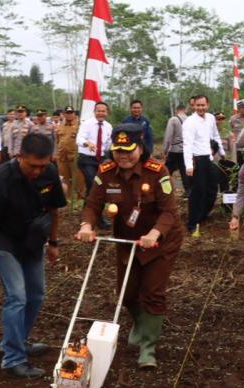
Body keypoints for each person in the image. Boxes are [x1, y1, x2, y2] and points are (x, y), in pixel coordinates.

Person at [76, 123, 183, 369]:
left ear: (140, 148)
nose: (123, 156)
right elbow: (93, 204)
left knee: (153, 292)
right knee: (127, 292)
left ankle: (148, 347)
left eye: (128, 150)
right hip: (127, 240)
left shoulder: (157, 172)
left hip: (161, 242)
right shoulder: (106, 172)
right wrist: (86, 225)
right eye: (118, 150)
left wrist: (155, 233)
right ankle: (141, 324)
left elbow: (169, 212)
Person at [0, 133, 66, 379]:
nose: (38, 171)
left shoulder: (50, 172)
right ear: (20, 156)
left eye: (43, 165)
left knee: (36, 294)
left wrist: (53, 242)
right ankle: (13, 358)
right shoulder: (1, 179)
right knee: (17, 297)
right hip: (6, 241)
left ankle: (20, 339)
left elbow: (54, 211)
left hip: (33, 239)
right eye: (33, 165)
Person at [183, 95, 224, 233]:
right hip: (197, 160)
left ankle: (203, 215)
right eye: (198, 105)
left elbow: (215, 135)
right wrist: (189, 165)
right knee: (197, 192)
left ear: (208, 105)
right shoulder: (189, 122)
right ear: (193, 106)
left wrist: (221, 152)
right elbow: (187, 145)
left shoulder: (211, 118)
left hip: (209, 158)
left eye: (203, 105)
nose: (200, 108)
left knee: (212, 189)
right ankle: (192, 222)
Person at [76, 101, 113, 195]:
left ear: (107, 112)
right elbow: (79, 139)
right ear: (94, 111)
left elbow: (109, 144)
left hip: (101, 160)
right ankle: (90, 203)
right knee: (92, 181)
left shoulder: (109, 126)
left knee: (100, 183)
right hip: (87, 159)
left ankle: (92, 202)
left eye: (103, 111)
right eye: (98, 111)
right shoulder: (86, 124)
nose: (101, 113)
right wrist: (88, 143)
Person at [162, 105, 190, 195]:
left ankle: (165, 191)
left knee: (166, 172)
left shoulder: (173, 119)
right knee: (185, 172)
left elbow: (168, 137)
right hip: (186, 150)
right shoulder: (190, 119)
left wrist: (165, 150)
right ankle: (188, 192)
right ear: (185, 110)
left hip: (174, 150)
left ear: (176, 110)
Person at [228, 98, 244, 164]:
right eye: (243, 108)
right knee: (237, 167)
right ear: (239, 109)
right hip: (236, 150)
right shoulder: (233, 119)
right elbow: (229, 132)